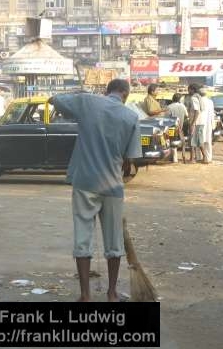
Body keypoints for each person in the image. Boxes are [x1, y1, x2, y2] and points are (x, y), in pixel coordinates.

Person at [49, 79, 142, 302]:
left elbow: (54, 100)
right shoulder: (131, 116)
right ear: (125, 94)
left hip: (84, 182)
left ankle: (85, 295)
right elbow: (130, 159)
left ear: (106, 90)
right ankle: (111, 293)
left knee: (83, 238)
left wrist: (80, 95)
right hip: (112, 185)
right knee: (114, 242)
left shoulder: (88, 102)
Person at [187, 83, 207, 163]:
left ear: (192, 89)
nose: (188, 91)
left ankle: (192, 159)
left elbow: (197, 111)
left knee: (192, 141)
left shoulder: (194, 98)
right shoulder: (199, 97)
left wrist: (192, 123)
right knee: (199, 140)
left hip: (196, 122)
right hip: (200, 122)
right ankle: (204, 157)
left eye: (189, 89)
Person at [167, 93, 188, 163]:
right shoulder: (183, 106)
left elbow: (166, 117)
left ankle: (174, 159)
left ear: (173, 99)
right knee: (182, 143)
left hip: (172, 127)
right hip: (180, 127)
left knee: (172, 142)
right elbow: (186, 115)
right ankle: (183, 158)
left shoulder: (169, 107)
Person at [202, 95, 215, 163]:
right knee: (208, 141)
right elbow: (212, 114)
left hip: (200, 124)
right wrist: (213, 125)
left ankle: (200, 157)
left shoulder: (199, 100)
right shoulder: (210, 102)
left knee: (201, 141)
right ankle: (209, 158)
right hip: (208, 124)